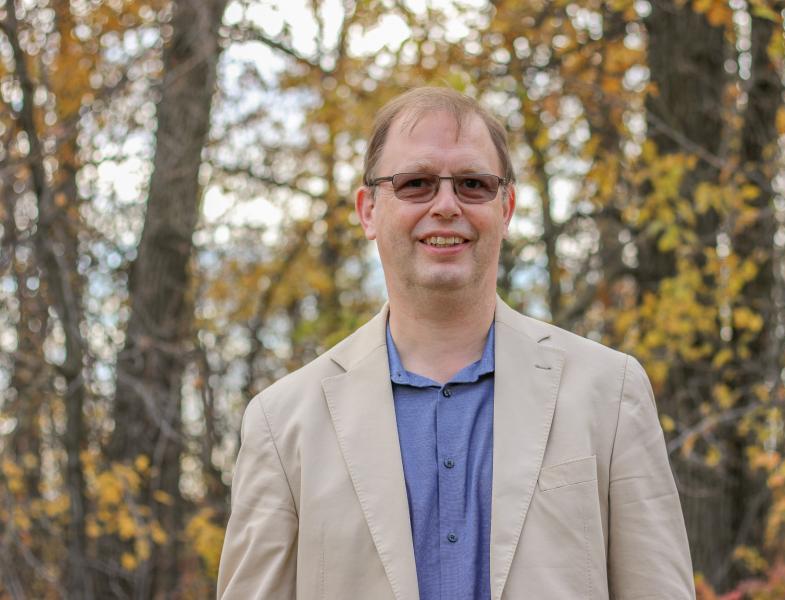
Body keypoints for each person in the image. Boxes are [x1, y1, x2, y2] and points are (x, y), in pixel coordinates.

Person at [217, 87, 695, 600]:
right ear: (368, 210)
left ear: (506, 206)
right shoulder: (281, 422)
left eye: (472, 184)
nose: (446, 205)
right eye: (416, 184)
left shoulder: (609, 392)